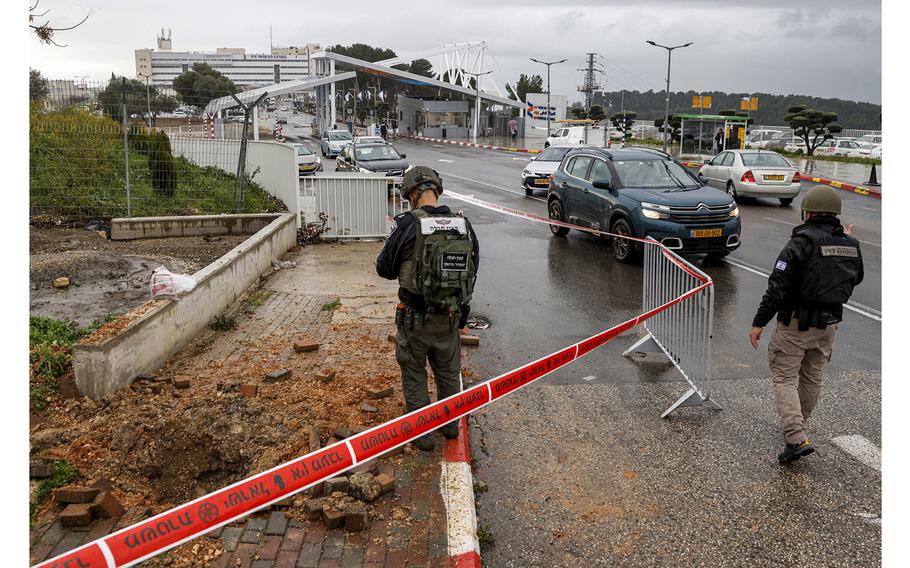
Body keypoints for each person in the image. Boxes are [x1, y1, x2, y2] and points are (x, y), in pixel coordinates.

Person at [749, 186, 864, 464]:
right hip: (829, 325)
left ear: (808, 212)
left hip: (795, 325)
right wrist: (846, 243)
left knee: (785, 378)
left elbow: (777, 286)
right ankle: (798, 428)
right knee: (812, 378)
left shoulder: (799, 244)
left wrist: (758, 322)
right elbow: (856, 278)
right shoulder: (851, 244)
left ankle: (796, 438)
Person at [376, 167, 480, 451]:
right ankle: (449, 428)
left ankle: (422, 437)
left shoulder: (407, 224)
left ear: (411, 194)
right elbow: (473, 268)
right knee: (448, 374)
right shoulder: (463, 224)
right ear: (437, 190)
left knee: (414, 373)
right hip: (448, 319)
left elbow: (383, 269)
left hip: (414, 321)